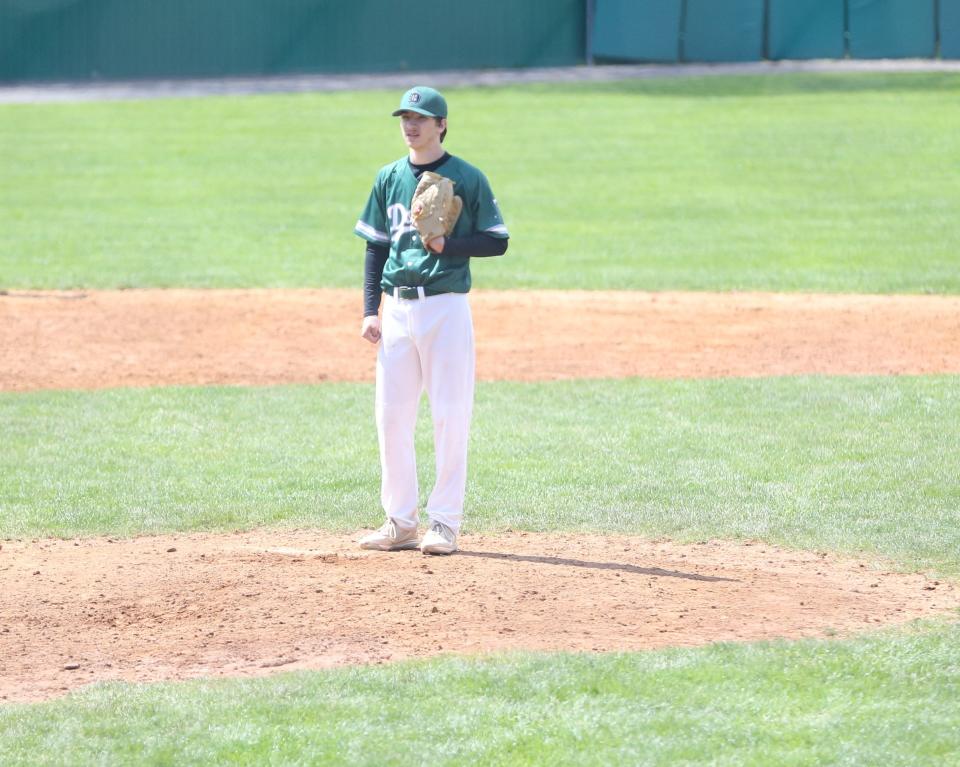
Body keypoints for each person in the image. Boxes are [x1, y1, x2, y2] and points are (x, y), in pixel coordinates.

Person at [354, 86, 509, 555]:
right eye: (405, 117)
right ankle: (400, 522)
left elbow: (497, 240)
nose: (411, 125)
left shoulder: (467, 177)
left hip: (445, 306)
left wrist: (450, 247)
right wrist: (369, 309)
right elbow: (376, 246)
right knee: (391, 417)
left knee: (449, 414)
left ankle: (444, 523)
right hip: (397, 309)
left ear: (441, 124)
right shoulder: (388, 177)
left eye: (421, 117)